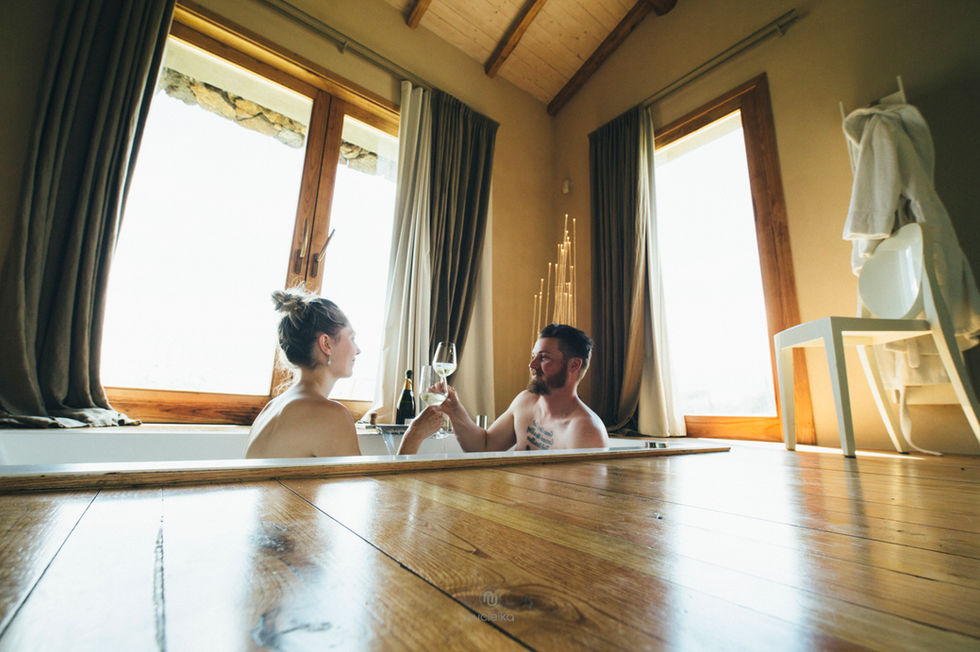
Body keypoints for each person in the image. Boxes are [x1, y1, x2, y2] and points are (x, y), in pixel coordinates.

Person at [245, 288, 441, 458]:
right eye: (352, 338)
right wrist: (414, 435)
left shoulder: (271, 407)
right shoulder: (329, 415)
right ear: (326, 343)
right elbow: (374, 492)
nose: (358, 350)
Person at [436, 323, 608, 451]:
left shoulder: (585, 430)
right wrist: (455, 410)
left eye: (544, 357)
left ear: (574, 365)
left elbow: (582, 490)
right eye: (533, 356)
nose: (532, 364)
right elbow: (484, 447)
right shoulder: (525, 401)